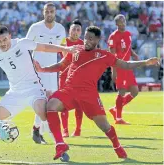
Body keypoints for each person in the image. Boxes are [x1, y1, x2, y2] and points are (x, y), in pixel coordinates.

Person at [34, 26, 159, 161]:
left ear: (98, 40)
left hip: (89, 95)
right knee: (51, 105)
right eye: (86, 37)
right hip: (69, 90)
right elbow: (61, 65)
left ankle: (117, 146)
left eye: (90, 39)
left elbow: (126, 64)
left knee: (105, 126)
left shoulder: (105, 55)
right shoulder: (76, 49)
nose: (86, 41)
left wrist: (145, 62)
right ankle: (60, 144)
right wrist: (43, 69)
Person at [0, 25, 76, 163]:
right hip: (14, 93)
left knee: (44, 113)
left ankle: (60, 147)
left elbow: (43, 47)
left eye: (5, 39)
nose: (2, 44)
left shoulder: (22, 43)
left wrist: (65, 49)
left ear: (10, 36)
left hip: (33, 89)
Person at [26, 2, 66, 144]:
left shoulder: (60, 29)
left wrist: (65, 65)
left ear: (55, 13)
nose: (49, 14)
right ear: (43, 12)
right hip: (37, 71)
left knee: (51, 102)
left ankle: (37, 130)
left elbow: (63, 48)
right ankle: (53, 135)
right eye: (47, 11)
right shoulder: (35, 28)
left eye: (52, 11)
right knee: (44, 100)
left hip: (52, 71)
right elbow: (26, 47)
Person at [108, 14, 140, 124]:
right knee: (121, 91)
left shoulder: (128, 34)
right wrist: (113, 71)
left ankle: (115, 109)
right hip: (120, 66)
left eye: (124, 21)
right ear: (117, 24)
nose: (124, 23)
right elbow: (112, 56)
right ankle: (118, 118)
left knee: (135, 91)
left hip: (128, 66)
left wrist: (134, 54)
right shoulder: (113, 36)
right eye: (121, 22)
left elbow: (128, 48)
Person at [59, 19, 84, 138]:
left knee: (79, 103)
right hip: (64, 75)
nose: (75, 31)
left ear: (81, 32)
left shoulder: (83, 44)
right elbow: (65, 56)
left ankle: (78, 129)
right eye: (73, 29)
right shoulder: (64, 41)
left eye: (78, 30)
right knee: (64, 102)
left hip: (77, 77)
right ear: (69, 30)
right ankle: (65, 130)